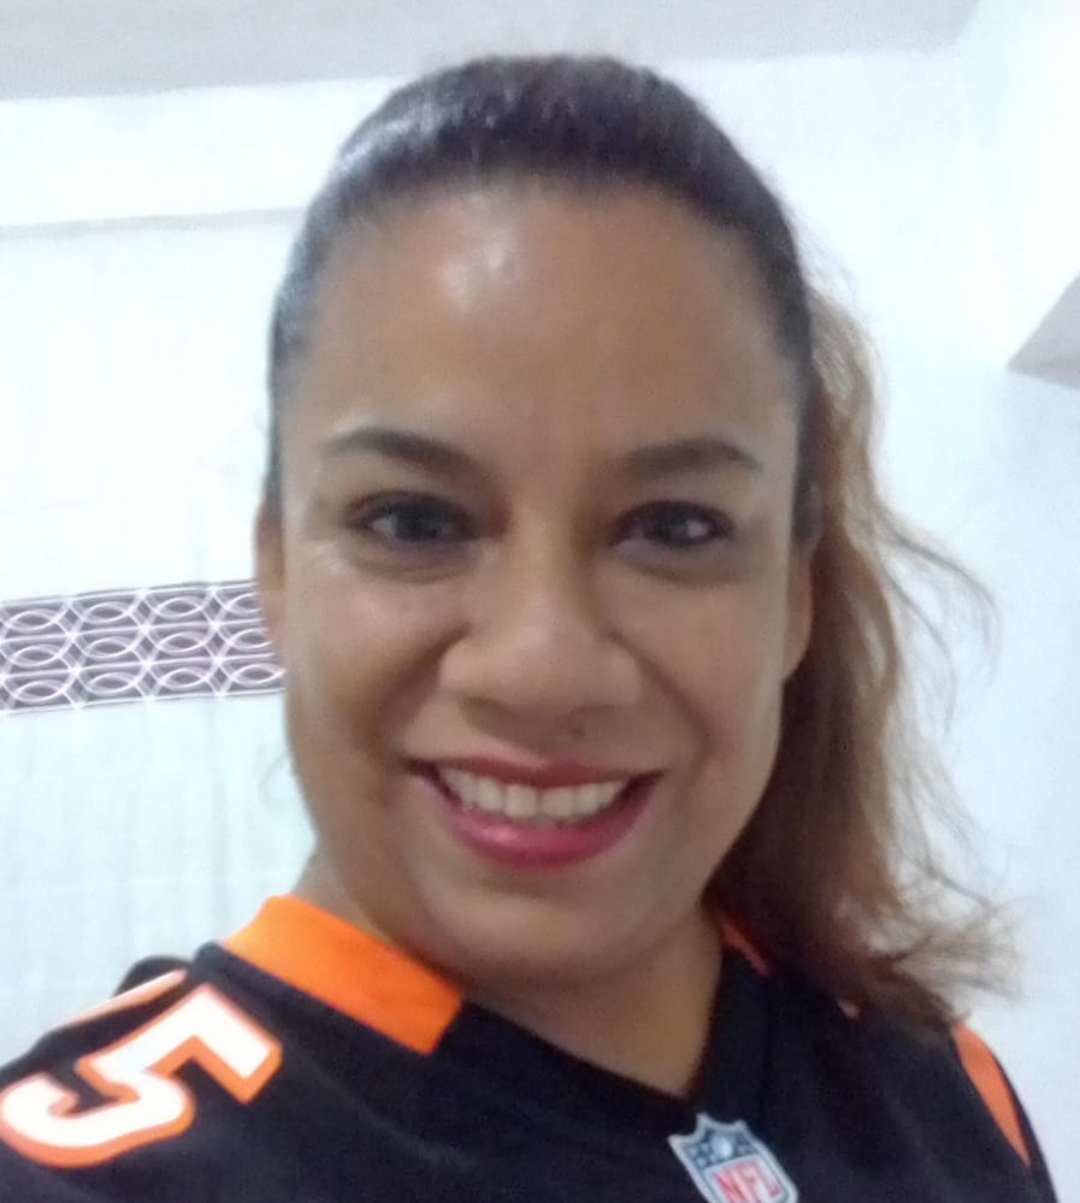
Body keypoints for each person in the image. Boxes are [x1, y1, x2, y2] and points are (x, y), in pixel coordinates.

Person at [0, 55, 1058, 1202]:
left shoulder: (942, 1089)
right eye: (413, 520)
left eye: (676, 526)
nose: (542, 666)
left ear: (795, 599)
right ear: (278, 571)